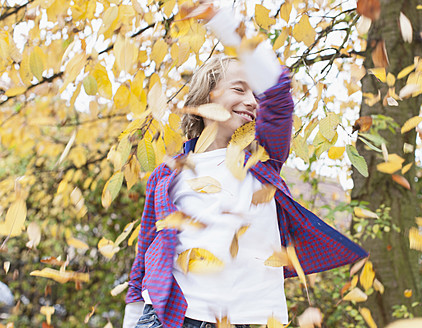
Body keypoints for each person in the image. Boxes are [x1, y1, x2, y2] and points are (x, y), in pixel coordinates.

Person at [123, 5, 367, 328]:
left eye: (255, 92)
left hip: (242, 321)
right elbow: (145, 254)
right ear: (204, 101)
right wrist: (132, 318)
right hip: (169, 317)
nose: (253, 101)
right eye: (239, 88)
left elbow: (278, 93)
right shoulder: (168, 175)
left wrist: (221, 21)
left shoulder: (261, 162)